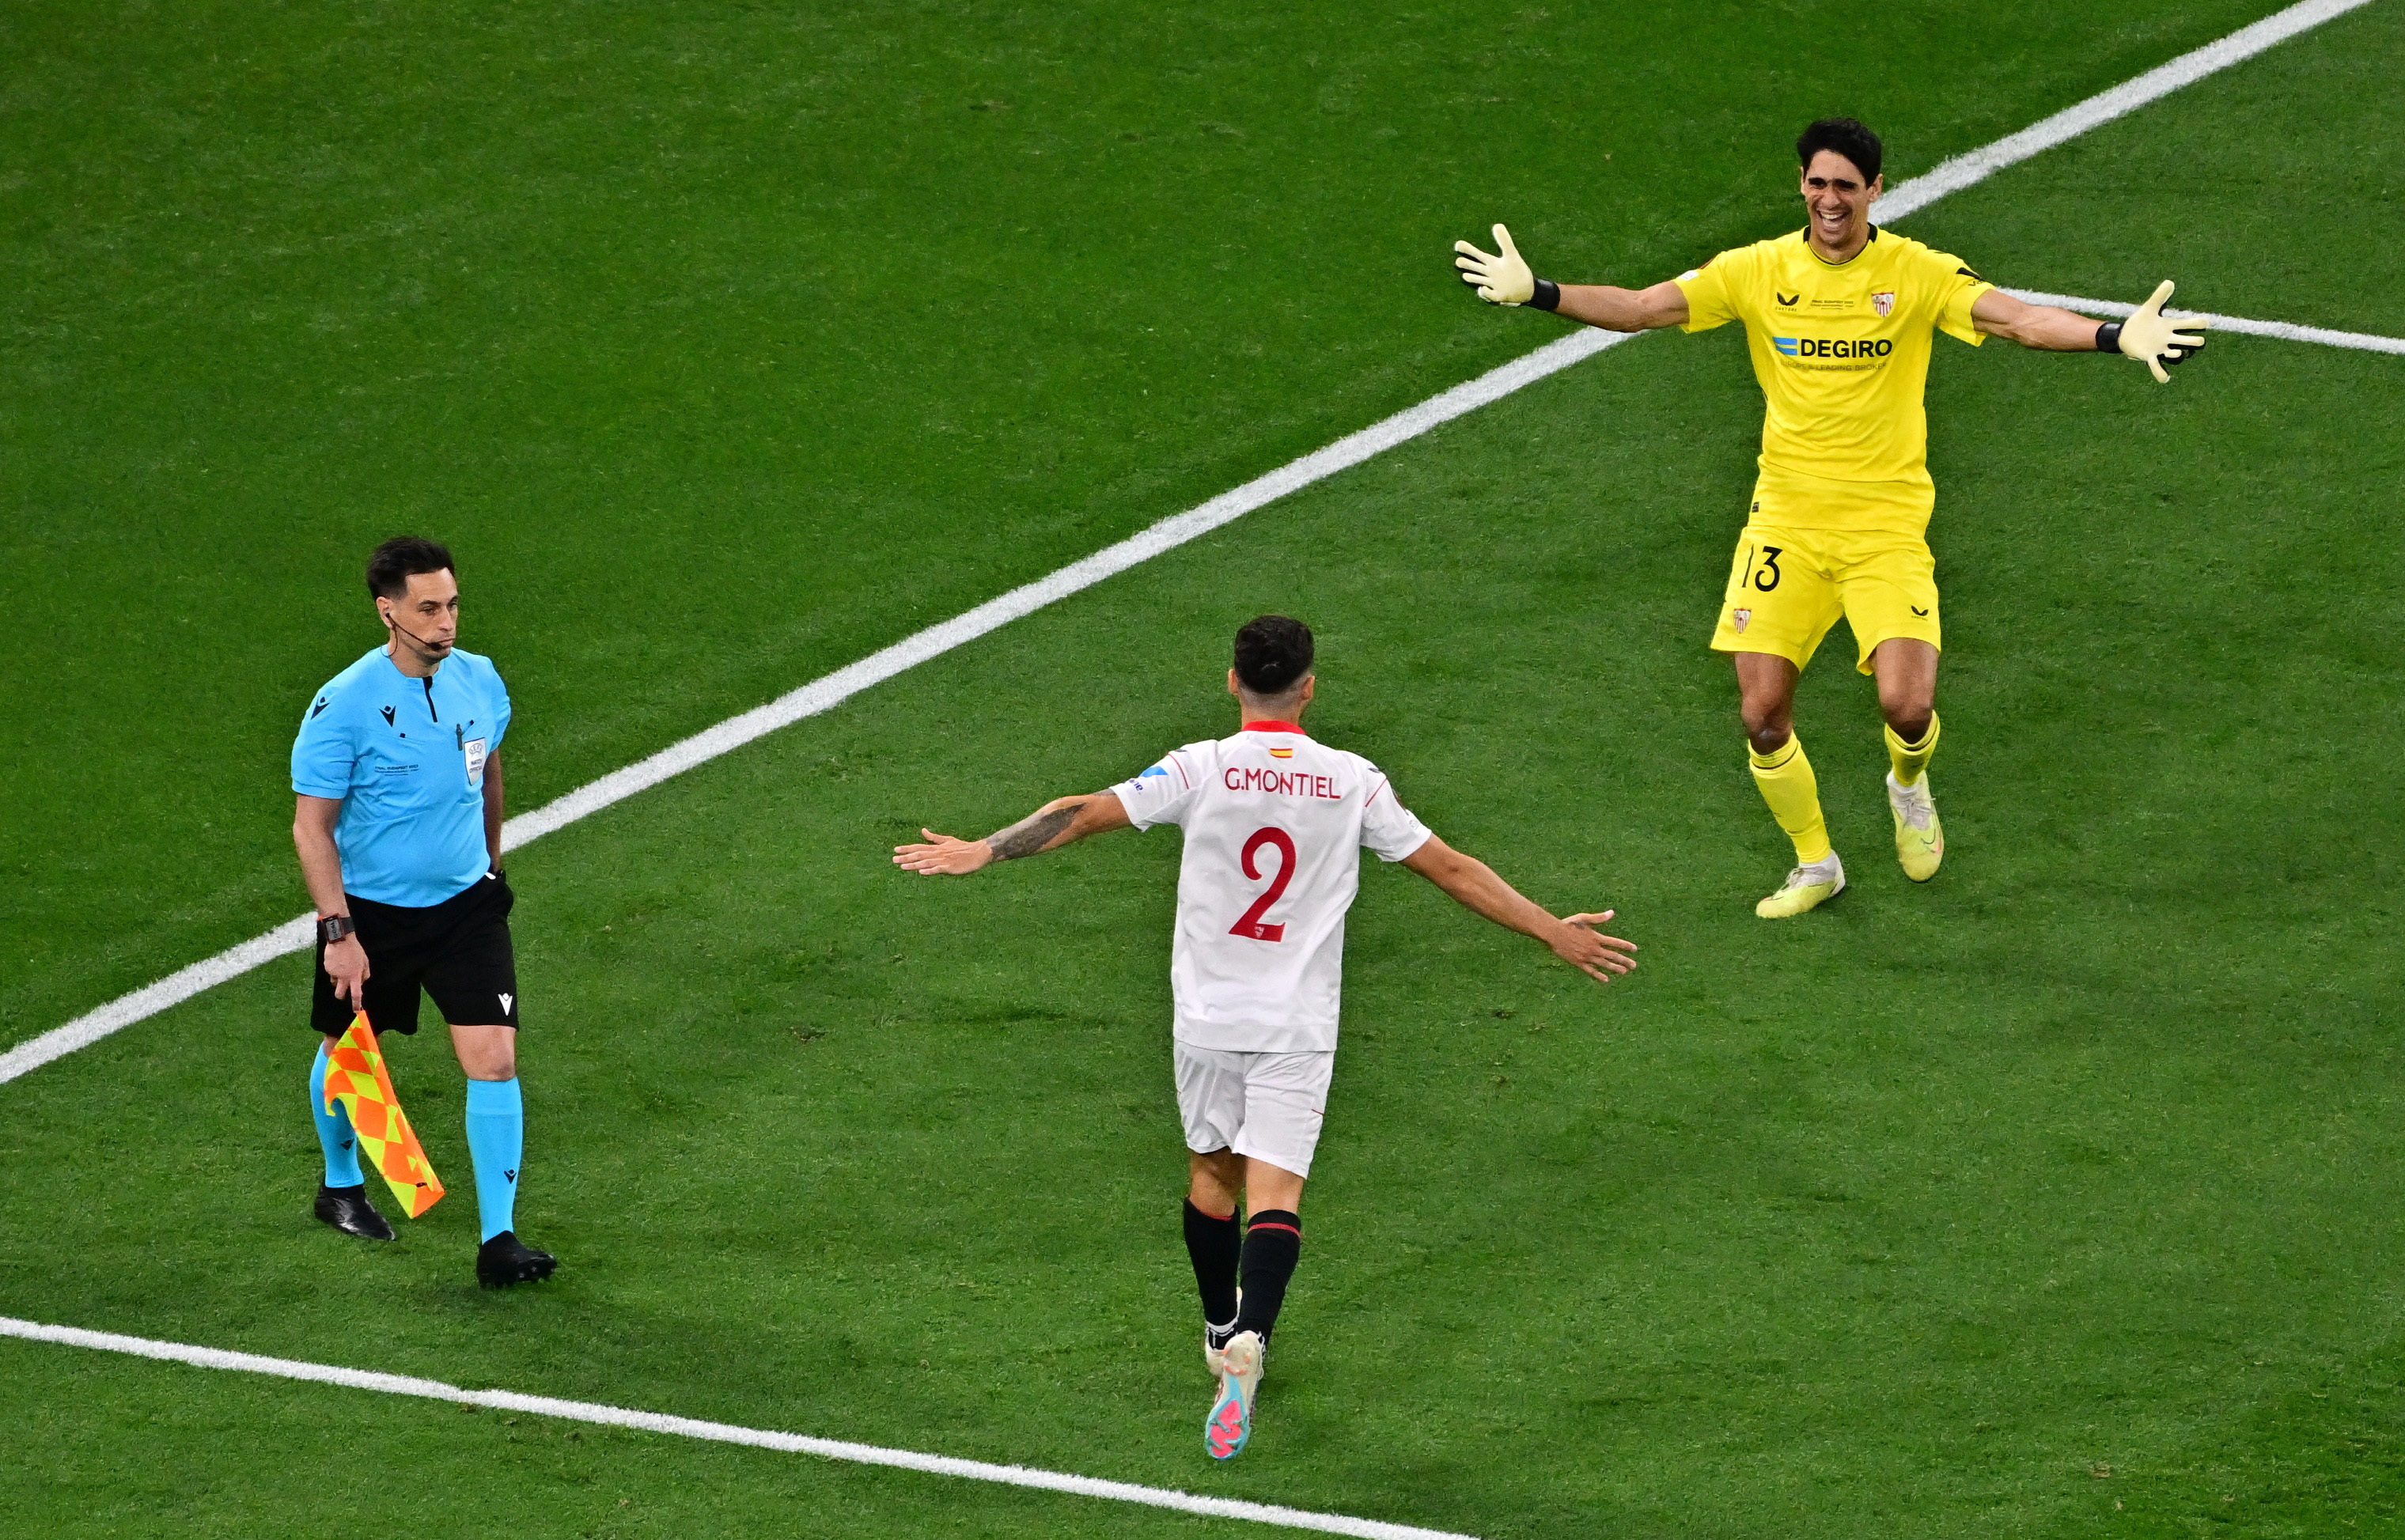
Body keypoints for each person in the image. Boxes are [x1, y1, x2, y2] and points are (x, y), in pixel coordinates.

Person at [893, 615, 1636, 1459]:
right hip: (1296, 1024)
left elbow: (1079, 814)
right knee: (1276, 1197)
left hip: (1207, 1020)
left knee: (1212, 1177)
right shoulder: (1352, 781)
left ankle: (1220, 1330)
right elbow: (1451, 868)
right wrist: (1551, 931)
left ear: (1232, 682)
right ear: (1309, 686)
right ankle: (1254, 1335)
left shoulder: (1199, 767)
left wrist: (983, 851)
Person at [1453, 117, 2206, 917]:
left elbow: (2015, 320)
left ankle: (1907, 785)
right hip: (1783, 521)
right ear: (1801, 186)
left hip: (1884, 525)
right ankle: (1817, 864)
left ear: (1876, 190)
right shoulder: (1756, 270)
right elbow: (1642, 308)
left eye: (1847, 185)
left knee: (1907, 706)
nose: (1830, 199)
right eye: (1818, 183)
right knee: (1761, 714)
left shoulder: (1913, 273)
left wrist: (2111, 335)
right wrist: (1539, 292)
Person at [290, 535, 555, 1288]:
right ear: (389, 611)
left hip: (467, 908)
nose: (447, 623)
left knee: (495, 1058)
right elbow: (312, 826)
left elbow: (490, 771)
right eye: (429, 608)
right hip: (373, 917)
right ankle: (341, 1186)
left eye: (453, 604)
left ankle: (499, 1240)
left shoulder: (479, 679)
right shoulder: (343, 705)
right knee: (349, 1049)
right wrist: (337, 931)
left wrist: (492, 864)